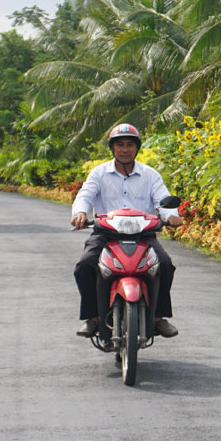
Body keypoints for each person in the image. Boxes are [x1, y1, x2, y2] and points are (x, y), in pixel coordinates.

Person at [71, 123, 183, 338]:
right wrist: (80, 213)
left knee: (165, 265)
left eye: (130, 144)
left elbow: (163, 199)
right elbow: (85, 195)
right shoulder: (99, 173)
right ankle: (93, 318)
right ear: (112, 148)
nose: (125, 149)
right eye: (120, 144)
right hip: (106, 234)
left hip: (143, 235)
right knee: (84, 265)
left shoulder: (150, 175)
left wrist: (171, 216)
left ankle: (158, 317)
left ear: (136, 148)